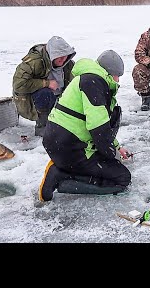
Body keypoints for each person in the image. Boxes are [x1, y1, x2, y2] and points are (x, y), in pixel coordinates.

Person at [39, 50, 132, 202]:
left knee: (110, 166)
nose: (118, 80)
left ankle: (66, 168)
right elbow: (99, 129)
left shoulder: (89, 79)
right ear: (109, 73)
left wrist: (117, 147)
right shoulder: (94, 84)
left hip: (61, 143)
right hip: (71, 148)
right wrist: (111, 155)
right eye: (117, 76)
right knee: (122, 178)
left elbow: (100, 124)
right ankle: (61, 175)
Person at [12, 36, 76, 137]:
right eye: (59, 56)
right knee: (45, 94)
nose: (63, 60)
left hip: (59, 97)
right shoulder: (34, 62)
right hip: (30, 101)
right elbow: (18, 85)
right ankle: (43, 128)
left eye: (65, 56)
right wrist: (46, 83)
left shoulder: (69, 64)